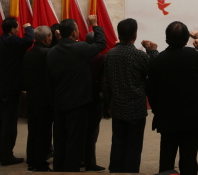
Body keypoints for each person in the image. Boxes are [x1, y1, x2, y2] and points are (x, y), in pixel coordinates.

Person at [146, 21, 198, 175]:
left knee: (166, 157)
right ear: (186, 40)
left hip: (167, 116)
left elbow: (151, 90)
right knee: (189, 157)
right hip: (192, 117)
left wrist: (158, 111)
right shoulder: (194, 56)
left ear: (166, 39)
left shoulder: (158, 59)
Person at [46, 15, 106, 172]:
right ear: (74, 33)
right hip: (78, 103)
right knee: (75, 140)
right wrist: (95, 24)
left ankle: (59, 168)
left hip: (59, 102)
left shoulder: (52, 52)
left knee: (60, 139)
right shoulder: (81, 48)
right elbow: (101, 43)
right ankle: (71, 169)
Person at [103, 18, 159, 173]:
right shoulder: (139, 55)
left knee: (118, 142)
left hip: (116, 106)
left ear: (119, 34)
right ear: (135, 35)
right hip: (136, 107)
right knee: (134, 145)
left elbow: (106, 83)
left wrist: (108, 104)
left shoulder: (109, 55)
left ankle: (116, 170)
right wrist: (152, 51)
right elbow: (155, 72)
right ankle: (131, 171)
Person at [0, 17, 34, 166]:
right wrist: (29, 27)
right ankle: (7, 156)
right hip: (12, 88)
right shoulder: (13, 41)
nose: (19, 30)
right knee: (9, 123)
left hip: (0, 86)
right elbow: (29, 40)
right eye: (18, 28)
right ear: (13, 30)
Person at [22, 25, 53, 172]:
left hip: (32, 97)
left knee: (33, 130)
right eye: (51, 36)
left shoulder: (28, 53)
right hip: (44, 99)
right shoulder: (48, 54)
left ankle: (32, 161)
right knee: (43, 132)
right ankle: (40, 163)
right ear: (46, 38)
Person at [83, 31, 106, 172]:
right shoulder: (101, 58)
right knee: (92, 132)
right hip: (96, 97)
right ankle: (90, 162)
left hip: (81, 96)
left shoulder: (81, 55)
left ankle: (81, 158)